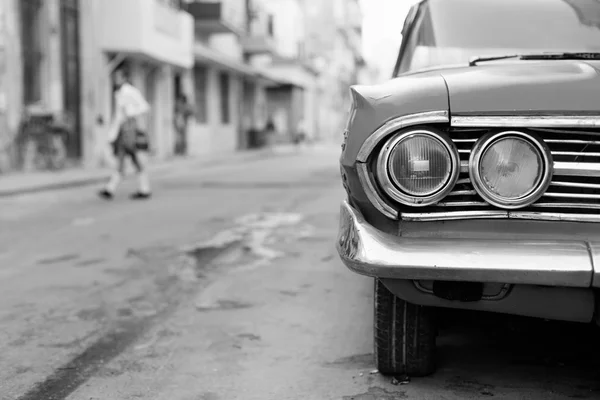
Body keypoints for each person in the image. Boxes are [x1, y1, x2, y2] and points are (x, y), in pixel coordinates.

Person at [98, 66, 151, 200]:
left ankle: (143, 188)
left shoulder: (129, 91)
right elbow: (118, 116)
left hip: (129, 131)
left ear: (125, 78)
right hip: (122, 131)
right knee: (124, 159)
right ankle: (110, 189)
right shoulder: (120, 93)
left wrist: (130, 115)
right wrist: (112, 134)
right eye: (115, 77)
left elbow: (144, 107)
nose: (116, 80)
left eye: (118, 77)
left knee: (132, 159)